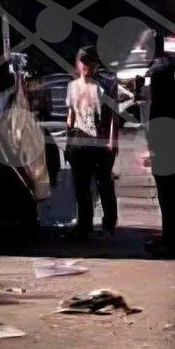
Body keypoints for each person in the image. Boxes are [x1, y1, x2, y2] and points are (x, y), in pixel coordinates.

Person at [140, 29, 175, 258]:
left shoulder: (156, 71)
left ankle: (173, 240)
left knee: (166, 186)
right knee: (173, 182)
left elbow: (155, 108)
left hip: (162, 132)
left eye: (144, 48)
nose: (142, 53)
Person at [64, 45, 119, 237]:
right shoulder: (73, 87)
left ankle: (109, 225)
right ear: (78, 64)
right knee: (82, 186)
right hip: (79, 141)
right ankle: (84, 225)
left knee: (104, 184)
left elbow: (113, 116)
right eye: (83, 62)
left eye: (90, 63)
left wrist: (112, 142)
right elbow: (70, 116)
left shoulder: (105, 85)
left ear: (95, 64)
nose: (86, 67)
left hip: (100, 142)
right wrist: (68, 142)